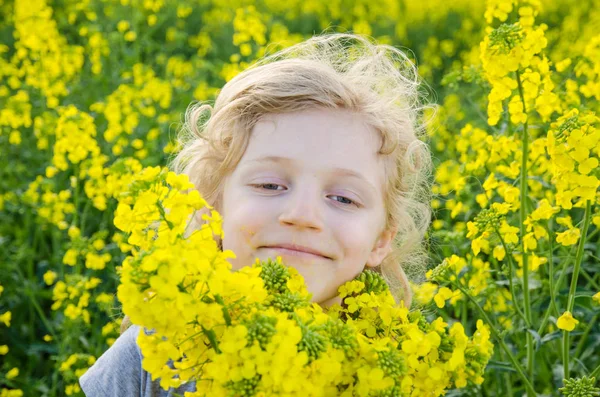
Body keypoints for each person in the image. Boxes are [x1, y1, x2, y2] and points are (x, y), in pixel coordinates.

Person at [79, 31, 433, 396]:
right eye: (270, 185)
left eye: (343, 198)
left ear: (380, 240)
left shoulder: (392, 372)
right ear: (214, 206)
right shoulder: (155, 353)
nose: (301, 215)